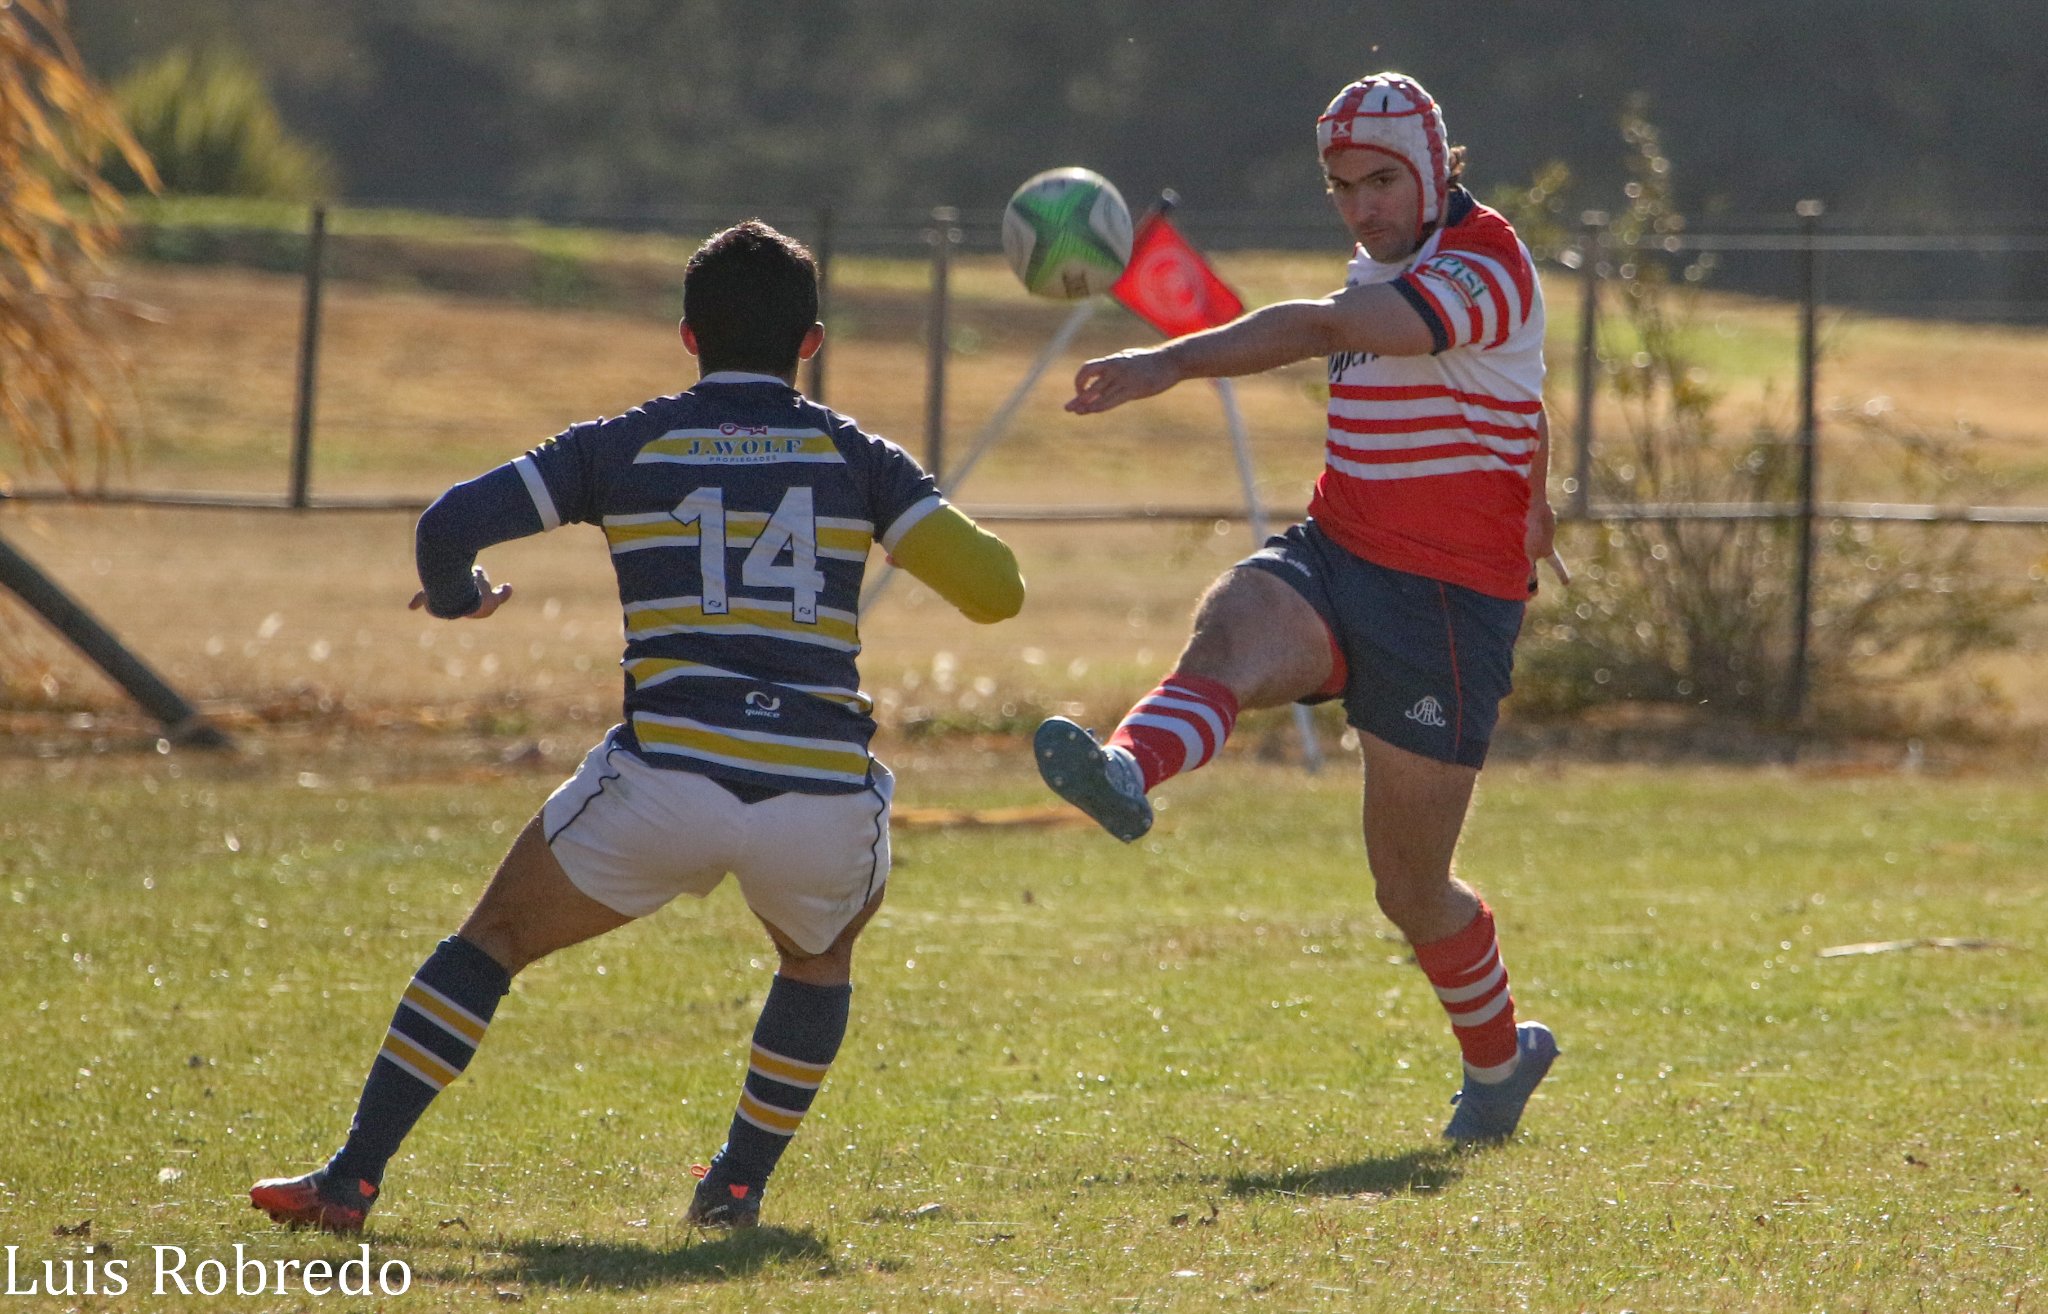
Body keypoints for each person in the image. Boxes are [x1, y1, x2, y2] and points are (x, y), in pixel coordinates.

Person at [250, 220, 1025, 1232]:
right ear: (813, 342)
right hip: (819, 799)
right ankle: (735, 1190)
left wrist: (457, 597)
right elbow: (996, 593)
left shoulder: (624, 446)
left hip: (666, 781)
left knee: (488, 943)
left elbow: (446, 525)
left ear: (688, 338)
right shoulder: (857, 458)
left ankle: (352, 1178)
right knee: (817, 959)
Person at [1034, 72, 1559, 1144]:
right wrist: (1536, 491)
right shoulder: (1384, 259)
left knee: (1409, 893)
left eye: (1379, 180)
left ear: (1432, 169)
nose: (1360, 204)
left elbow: (1325, 327)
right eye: (1340, 185)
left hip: (1447, 612)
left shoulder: (1484, 263)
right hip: (1338, 552)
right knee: (1232, 621)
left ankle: (1499, 1062)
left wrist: (1164, 362)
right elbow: (1504, 400)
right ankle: (1126, 769)